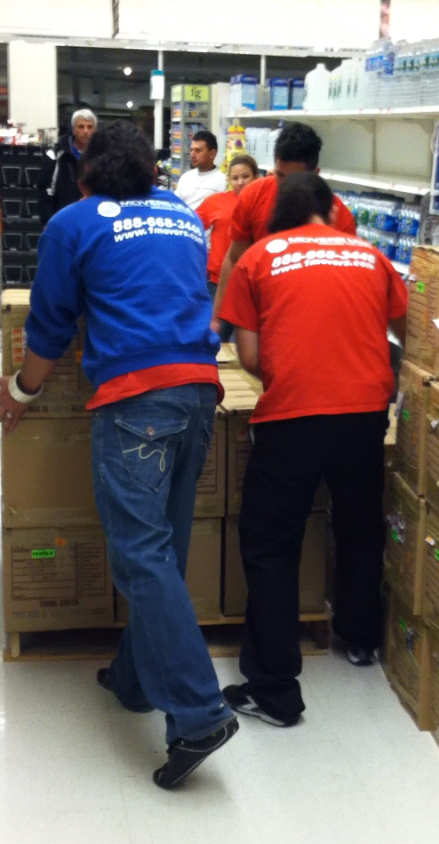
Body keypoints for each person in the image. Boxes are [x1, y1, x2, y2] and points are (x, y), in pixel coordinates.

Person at [0, 122, 238, 788]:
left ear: (85, 174)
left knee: (140, 555)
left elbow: (49, 325)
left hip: (137, 402)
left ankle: (200, 714)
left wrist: (19, 391)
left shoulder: (73, 223)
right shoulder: (182, 215)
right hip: (199, 391)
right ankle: (135, 680)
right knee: (163, 549)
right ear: (153, 173)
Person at [218, 173, 407, 727]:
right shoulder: (371, 256)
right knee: (359, 526)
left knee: (271, 545)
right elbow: (403, 331)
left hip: (292, 417)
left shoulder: (259, 258)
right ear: (330, 211)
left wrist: (297, 372)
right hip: (364, 415)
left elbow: (249, 356)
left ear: (278, 213)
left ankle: (275, 689)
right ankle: (360, 637)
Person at [212, 122, 357, 324]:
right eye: (280, 175)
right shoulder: (253, 196)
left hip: (309, 315)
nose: (286, 186)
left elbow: (344, 287)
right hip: (257, 309)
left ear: (315, 174)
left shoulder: (339, 217)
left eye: (295, 178)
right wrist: (217, 320)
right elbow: (235, 258)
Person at [196, 154, 259, 341]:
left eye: (245, 176)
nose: (240, 182)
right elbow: (192, 226)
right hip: (218, 284)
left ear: (256, 177)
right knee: (214, 339)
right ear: (228, 180)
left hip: (250, 287)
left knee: (244, 344)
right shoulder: (216, 202)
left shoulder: (264, 205)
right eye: (235, 178)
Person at [38, 108, 97, 225]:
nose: (85, 131)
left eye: (90, 127)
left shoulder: (103, 156)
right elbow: (45, 192)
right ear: (73, 129)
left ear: (95, 130)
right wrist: (47, 222)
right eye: (81, 126)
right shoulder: (55, 156)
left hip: (93, 219)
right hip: (63, 219)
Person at [175, 130, 226, 209]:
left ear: (212, 153)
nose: (192, 155)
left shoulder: (223, 180)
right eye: (191, 150)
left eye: (198, 151)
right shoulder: (185, 177)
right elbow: (176, 204)